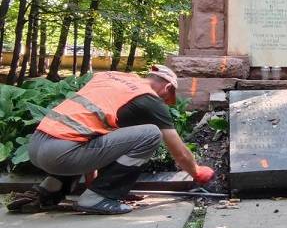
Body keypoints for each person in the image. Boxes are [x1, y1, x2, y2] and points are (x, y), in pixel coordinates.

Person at [7, 65, 215, 214]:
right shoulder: (150, 99)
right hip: (62, 154)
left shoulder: (109, 78)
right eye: (166, 99)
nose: (164, 102)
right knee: (151, 133)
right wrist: (196, 172)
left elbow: (90, 133)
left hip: (37, 146)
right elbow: (178, 151)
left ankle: (50, 190)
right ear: (167, 88)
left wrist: (93, 182)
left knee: (83, 138)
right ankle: (99, 198)